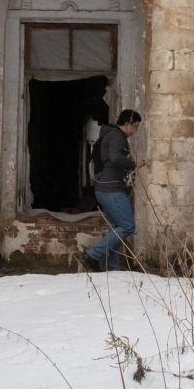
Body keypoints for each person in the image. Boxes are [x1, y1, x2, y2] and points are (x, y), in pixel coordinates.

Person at [83, 109, 141, 272]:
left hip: (105, 188)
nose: (135, 131)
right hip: (111, 189)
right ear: (128, 124)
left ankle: (113, 268)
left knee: (116, 227)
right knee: (128, 226)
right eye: (135, 127)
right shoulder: (117, 136)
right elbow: (115, 157)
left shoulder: (110, 135)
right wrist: (133, 164)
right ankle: (93, 254)